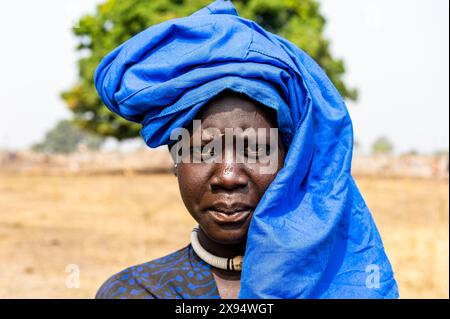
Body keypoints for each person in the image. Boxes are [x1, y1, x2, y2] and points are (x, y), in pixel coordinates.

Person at [94, 0, 398, 299]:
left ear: (290, 163)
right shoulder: (135, 292)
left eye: (254, 150)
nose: (228, 176)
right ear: (177, 161)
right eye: (203, 150)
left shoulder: (351, 284)